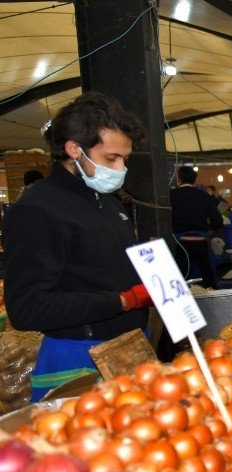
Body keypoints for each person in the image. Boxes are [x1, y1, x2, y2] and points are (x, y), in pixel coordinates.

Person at [3, 92, 152, 401]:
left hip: (133, 349)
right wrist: (123, 301)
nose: (121, 168)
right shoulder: (37, 209)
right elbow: (27, 309)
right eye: (111, 158)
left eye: (125, 158)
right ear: (74, 149)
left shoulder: (109, 203)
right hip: (80, 361)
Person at [170, 166, 224, 289]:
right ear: (194, 180)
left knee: (182, 279)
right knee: (208, 278)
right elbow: (218, 221)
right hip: (201, 243)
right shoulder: (205, 196)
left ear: (178, 179)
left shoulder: (170, 196)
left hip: (180, 244)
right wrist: (207, 230)